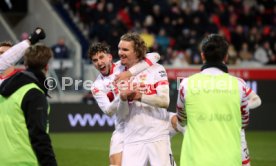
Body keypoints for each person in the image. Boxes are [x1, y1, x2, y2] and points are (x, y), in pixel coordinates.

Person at [176, 34, 251, 166]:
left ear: (202, 55)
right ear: (226, 57)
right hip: (229, 160)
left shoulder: (186, 84)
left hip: (194, 160)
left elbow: (181, 120)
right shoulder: (240, 85)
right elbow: (244, 122)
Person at [89, 42, 161, 166]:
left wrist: (129, 73)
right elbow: (108, 111)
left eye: (101, 57)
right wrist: (121, 96)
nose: (99, 62)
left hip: (142, 121)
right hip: (122, 127)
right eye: (95, 60)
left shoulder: (123, 66)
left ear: (110, 57)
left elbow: (155, 56)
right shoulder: (97, 86)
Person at [118, 32, 180, 166]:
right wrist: (123, 99)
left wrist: (138, 96)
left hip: (158, 136)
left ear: (136, 51)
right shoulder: (119, 74)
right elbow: (122, 114)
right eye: (119, 49)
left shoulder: (157, 70)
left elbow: (164, 101)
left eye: (125, 49)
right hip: (132, 138)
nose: (120, 52)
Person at [0, 44, 57, 166]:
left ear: (25, 65)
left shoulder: (4, 90)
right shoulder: (33, 93)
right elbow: (39, 136)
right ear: (47, 66)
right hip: (24, 161)